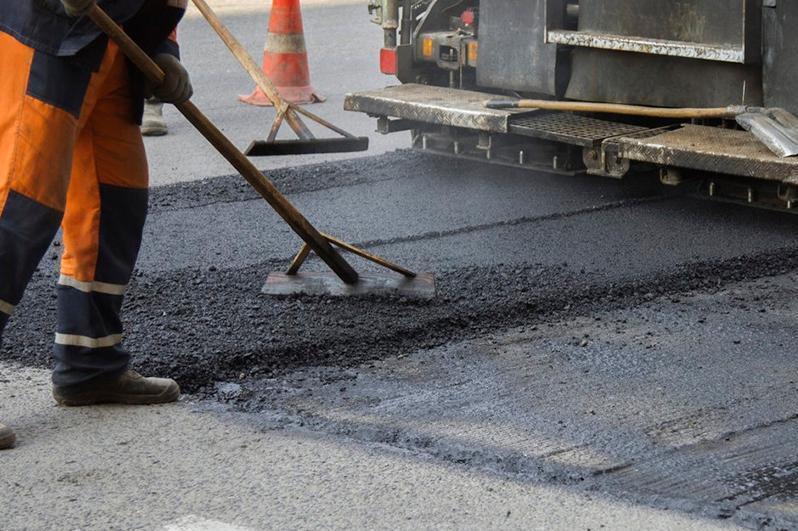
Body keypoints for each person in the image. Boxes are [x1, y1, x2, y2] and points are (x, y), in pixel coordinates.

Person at [0, 0, 193, 450]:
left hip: (111, 45)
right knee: (21, 206)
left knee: (114, 202)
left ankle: (90, 363)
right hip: (48, 36)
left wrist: (162, 49)